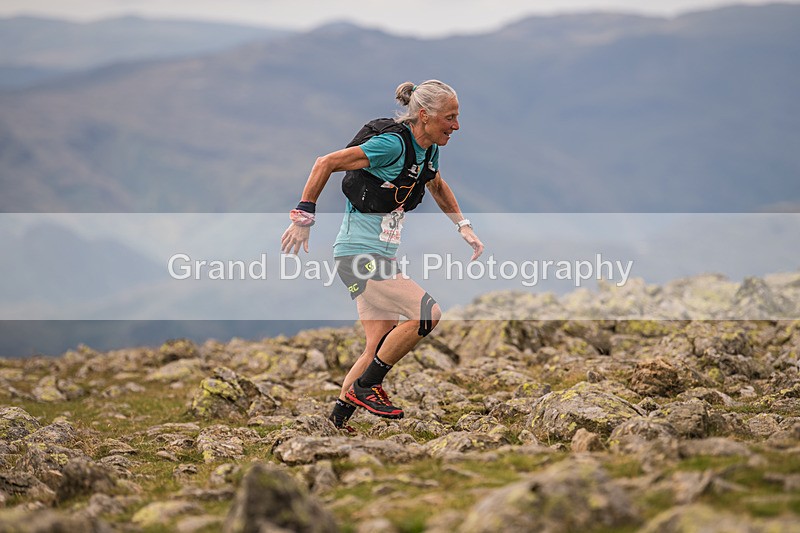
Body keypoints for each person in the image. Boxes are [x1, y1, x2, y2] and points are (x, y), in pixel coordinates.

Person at [281, 79, 484, 431]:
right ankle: (367, 386)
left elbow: (436, 184)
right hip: (358, 256)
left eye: (457, 116)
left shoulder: (428, 150)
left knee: (376, 346)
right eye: (450, 117)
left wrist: (463, 226)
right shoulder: (391, 145)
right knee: (427, 314)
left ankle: (336, 425)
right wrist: (303, 218)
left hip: (380, 256)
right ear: (425, 115)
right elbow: (325, 162)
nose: (456, 126)